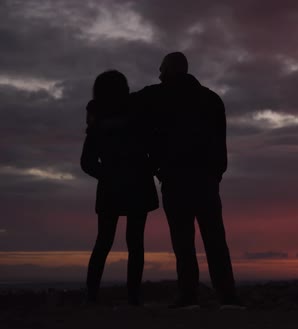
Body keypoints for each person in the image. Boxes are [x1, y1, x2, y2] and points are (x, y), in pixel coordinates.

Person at [135, 52, 241, 309]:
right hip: (203, 179)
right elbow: (221, 143)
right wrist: (216, 173)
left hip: (178, 178)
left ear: (171, 70)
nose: (159, 74)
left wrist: (155, 165)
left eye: (162, 69)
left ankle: (189, 295)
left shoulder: (158, 96)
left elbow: (126, 106)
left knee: (184, 242)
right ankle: (226, 296)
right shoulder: (211, 99)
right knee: (213, 238)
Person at [81, 70, 159, 306]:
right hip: (137, 184)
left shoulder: (98, 121)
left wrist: (107, 175)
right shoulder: (137, 114)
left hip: (112, 187)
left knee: (104, 240)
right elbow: (152, 147)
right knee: (135, 242)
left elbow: (87, 162)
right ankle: (133, 298)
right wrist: (148, 167)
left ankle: (91, 297)